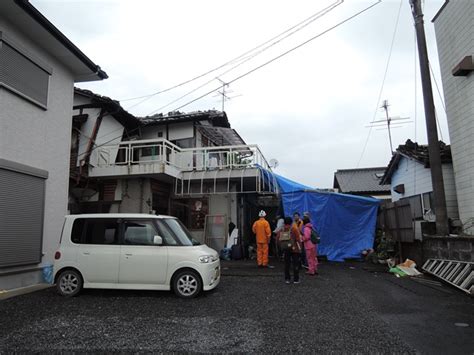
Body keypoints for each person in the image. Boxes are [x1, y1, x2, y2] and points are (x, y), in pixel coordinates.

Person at [279, 217, 302, 284]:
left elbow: (278, 239)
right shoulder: (294, 229)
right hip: (294, 249)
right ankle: (296, 279)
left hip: (286, 249)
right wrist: (300, 248)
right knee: (295, 264)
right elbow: (298, 239)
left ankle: (287, 279)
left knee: (287, 264)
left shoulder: (282, 229)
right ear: (291, 222)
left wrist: (282, 246)